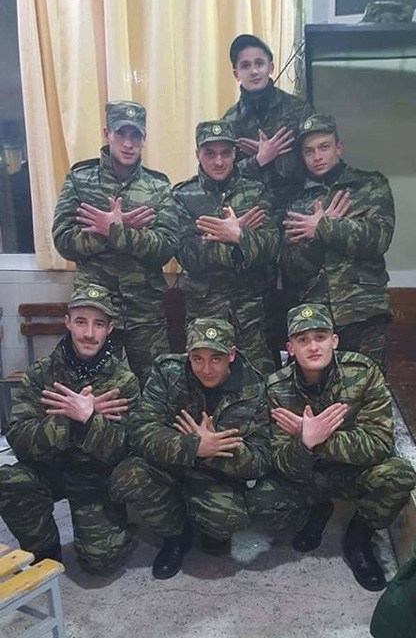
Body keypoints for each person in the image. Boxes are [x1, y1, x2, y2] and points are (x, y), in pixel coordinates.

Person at [252, 304, 416, 592]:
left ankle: (358, 539)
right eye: (302, 340)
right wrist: (304, 443)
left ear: (334, 340)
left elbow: (379, 444)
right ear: (290, 349)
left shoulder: (363, 373)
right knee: (260, 504)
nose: (313, 346)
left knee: (398, 475)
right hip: (308, 475)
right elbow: (278, 459)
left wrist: (319, 440)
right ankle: (317, 510)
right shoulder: (276, 388)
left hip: (354, 471)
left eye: (320, 336)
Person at [110, 318, 270, 580]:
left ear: (231, 354)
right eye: (197, 359)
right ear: (188, 354)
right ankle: (176, 536)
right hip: (168, 466)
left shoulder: (253, 387)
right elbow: (139, 430)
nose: (206, 369)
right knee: (128, 476)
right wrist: (192, 447)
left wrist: (215, 450)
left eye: (216, 358)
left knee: (226, 522)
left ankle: (203, 523)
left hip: (215, 476)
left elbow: (261, 461)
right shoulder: (168, 372)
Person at [0, 285, 140, 572]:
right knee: (9, 480)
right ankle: (44, 548)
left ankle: (118, 525)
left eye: (98, 324)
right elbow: (18, 437)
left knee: (102, 563)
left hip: (95, 475)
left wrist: (90, 420)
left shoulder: (123, 381)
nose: (89, 333)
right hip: (49, 468)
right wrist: (71, 419)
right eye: (81, 321)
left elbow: (126, 448)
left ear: (109, 329)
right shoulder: (41, 373)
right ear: (67, 322)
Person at [52, 101, 179, 388]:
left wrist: (116, 231)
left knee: (157, 387)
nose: (128, 143)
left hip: (145, 310)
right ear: (106, 134)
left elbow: (167, 247)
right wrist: (104, 231)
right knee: (93, 387)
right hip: (95, 309)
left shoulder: (158, 187)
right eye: (121, 133)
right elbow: (63, 241)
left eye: (136, 135)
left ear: (144, 138)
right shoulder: (80, 180)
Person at [281, 113, 395, 370]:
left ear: (339, 147)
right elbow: (291, 267)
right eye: (309, 151)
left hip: (364, 311)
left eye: (324, 147)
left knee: (367, 386)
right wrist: (316, 238)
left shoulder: (370, 186)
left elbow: (378, 238)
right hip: (315, 319)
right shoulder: (297, 202)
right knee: (318, 389)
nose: (317, 156)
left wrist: (323, 227)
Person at [174, 120, 279, 374]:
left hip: (252, 313)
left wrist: (238, 236)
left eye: (225, 153)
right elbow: (187, 254)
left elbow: (273, 246)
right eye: (210, 153)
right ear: (197, 154)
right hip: (204, 313)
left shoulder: (255, 192)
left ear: (235, 153)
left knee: (258, 383)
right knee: (204, 381)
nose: (219, 161)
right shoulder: (182, 196)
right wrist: (234, 239)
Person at [222, 33, 313, 215]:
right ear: (236, 74)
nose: (254, 71)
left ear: (270, 67)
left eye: (259, 63)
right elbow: (223, 177)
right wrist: (258, 160)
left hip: (297, 211)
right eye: (245, 65)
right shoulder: (229, 122)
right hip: (251, 214)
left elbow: (316, 162)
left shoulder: (298, 110)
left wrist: (275, 155)